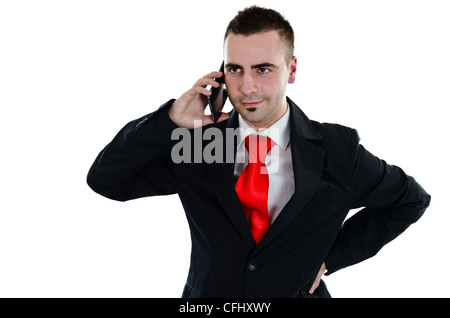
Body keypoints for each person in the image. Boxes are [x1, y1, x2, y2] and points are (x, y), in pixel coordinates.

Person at [87, 6, 430, 298]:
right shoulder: (199, 145)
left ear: (291, 70)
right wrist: (170, 120)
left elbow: (410, 200)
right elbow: (108, 181)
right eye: (236, 69)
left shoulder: (338, 150)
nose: (247, 87)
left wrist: (332, 257)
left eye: (263, 69)